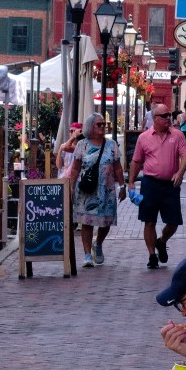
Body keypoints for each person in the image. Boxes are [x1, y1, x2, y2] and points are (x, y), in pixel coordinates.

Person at [128, 105, 186, 268]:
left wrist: (180, 172)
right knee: (149, 221)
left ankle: (162, 241)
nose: (168, 118)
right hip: (150, 183)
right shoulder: (144, 138)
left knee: (174, 222)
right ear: (154, 118)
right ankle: (152, 255)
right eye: (164, 116)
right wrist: (131, 181)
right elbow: (136, 161)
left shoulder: (177, 135)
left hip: (171, 184)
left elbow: (185, 155)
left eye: (169, 115)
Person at [68, 112, 126, 268]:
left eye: (104, 124)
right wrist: (71, 187)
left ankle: (98, 243)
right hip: (87, 191)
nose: (103, 127)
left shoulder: (111, 144)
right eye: (99, 124)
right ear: (90, 127)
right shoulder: (82, 145)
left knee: (105, 222)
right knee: (87, 222)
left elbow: (118, 168)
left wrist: (122, 186)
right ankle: (87, 255)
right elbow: (75, 169)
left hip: (107, 191)